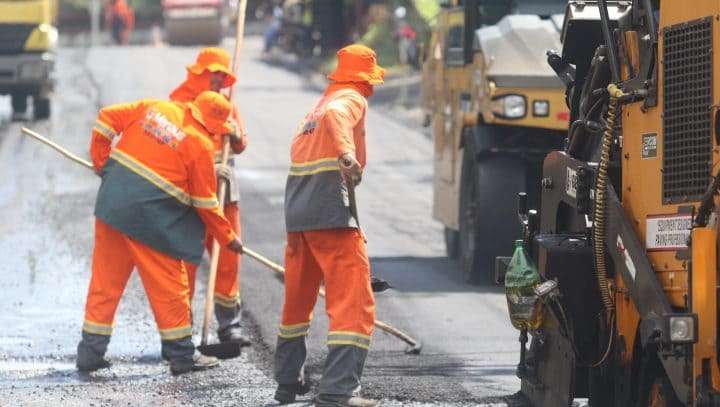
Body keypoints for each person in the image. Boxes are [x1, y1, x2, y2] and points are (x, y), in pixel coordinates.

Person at [76, 91, 243, 376]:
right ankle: (182, 356)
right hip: (150, 219)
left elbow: (106, 118)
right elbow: (205, 203)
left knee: (105, 282)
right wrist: (228, 238)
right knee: (170, 285)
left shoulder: (154, 107)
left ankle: (90, 352)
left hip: (112, 204)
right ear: (215, 125)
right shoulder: (200, 144)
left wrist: (102, 163)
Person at [273, 44, 385, 407]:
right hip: (327, 207)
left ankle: (287, 383)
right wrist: (347, 155)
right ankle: (339, 390)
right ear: (363, 78)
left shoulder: (316, 107)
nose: (371, 87)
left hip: (299, 211)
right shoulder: (347, 98)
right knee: (354, 299)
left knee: (298, 299)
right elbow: (340, 117)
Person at [169, 47, 251, 346]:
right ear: (199, 74)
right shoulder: (178, 102)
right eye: (214, 76)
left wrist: (235, 134)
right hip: (189, 195)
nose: (218, 82)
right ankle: (182, 329)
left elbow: (241, 143)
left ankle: (229, 325)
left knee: (228, 257)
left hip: (224, 192)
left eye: (222, 77)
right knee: (186, 261)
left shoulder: (227, 104)